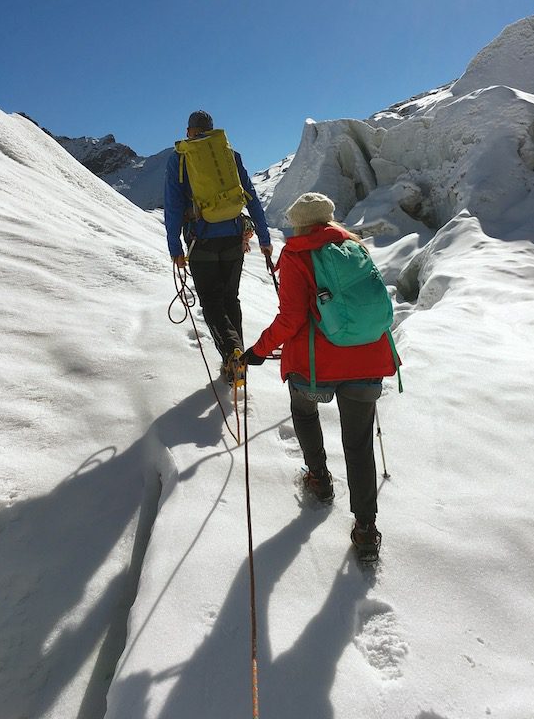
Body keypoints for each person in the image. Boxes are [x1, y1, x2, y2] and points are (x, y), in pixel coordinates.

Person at [241, 192, 398, 560]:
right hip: (367, 361)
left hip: (317, 367)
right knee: (359, 443)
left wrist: (260, 350)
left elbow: (291, 319)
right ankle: (365, 529)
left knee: (304, 410)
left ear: (300, 224)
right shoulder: (356, 249)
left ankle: (319, 478)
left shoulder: (297, 257)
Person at [164, 110, 272, 383]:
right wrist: (264, 238)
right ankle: (237, 360)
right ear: (211, 130)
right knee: (230, 298)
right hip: (234, 239)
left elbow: (173, 206)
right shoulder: (229, 155)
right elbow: (251, 196)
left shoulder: (180, 159)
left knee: (211, 302)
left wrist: (174, 246)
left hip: (202, 242)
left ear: (189, 131)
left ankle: (231, 354)